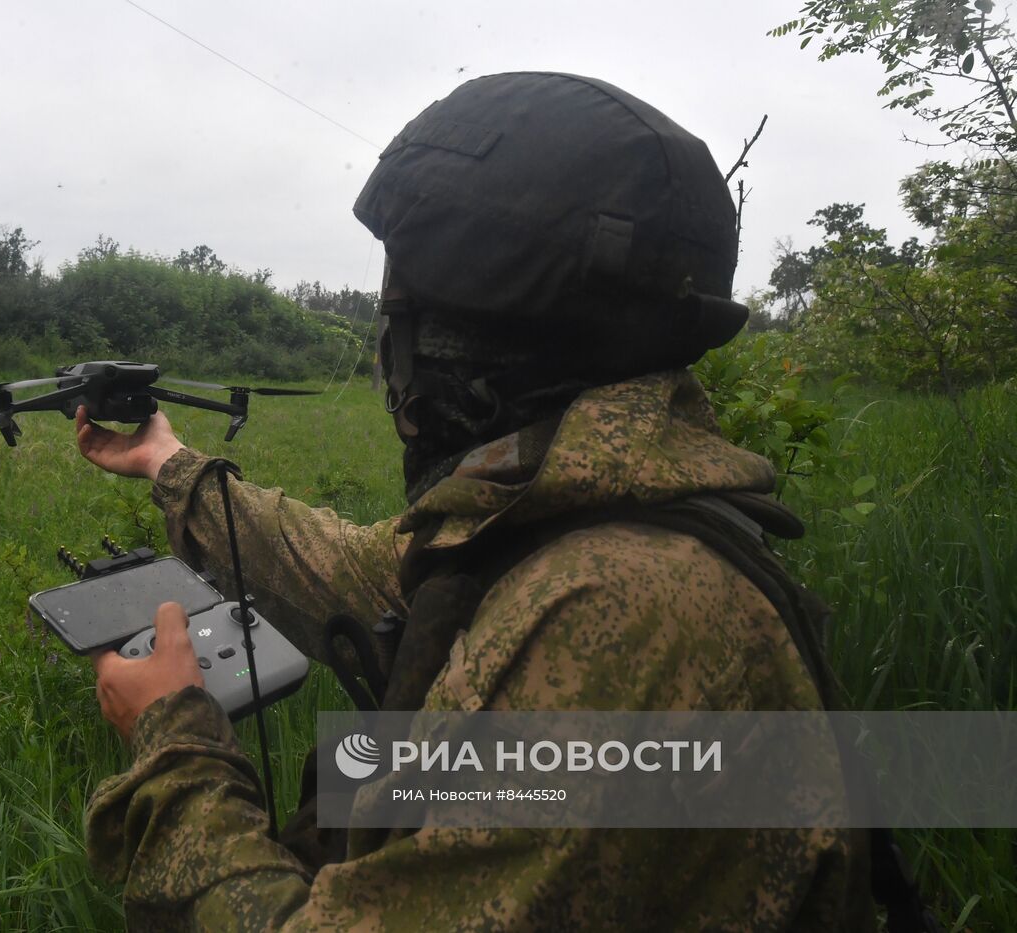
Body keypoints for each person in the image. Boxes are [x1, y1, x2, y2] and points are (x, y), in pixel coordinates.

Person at [74, 73, 874, 931]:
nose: (391, 353)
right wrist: (171, 464)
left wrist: (175, 742)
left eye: (405, 317)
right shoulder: (567, 511)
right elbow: (365, 569)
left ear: (477, 339)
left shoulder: (613, 611)